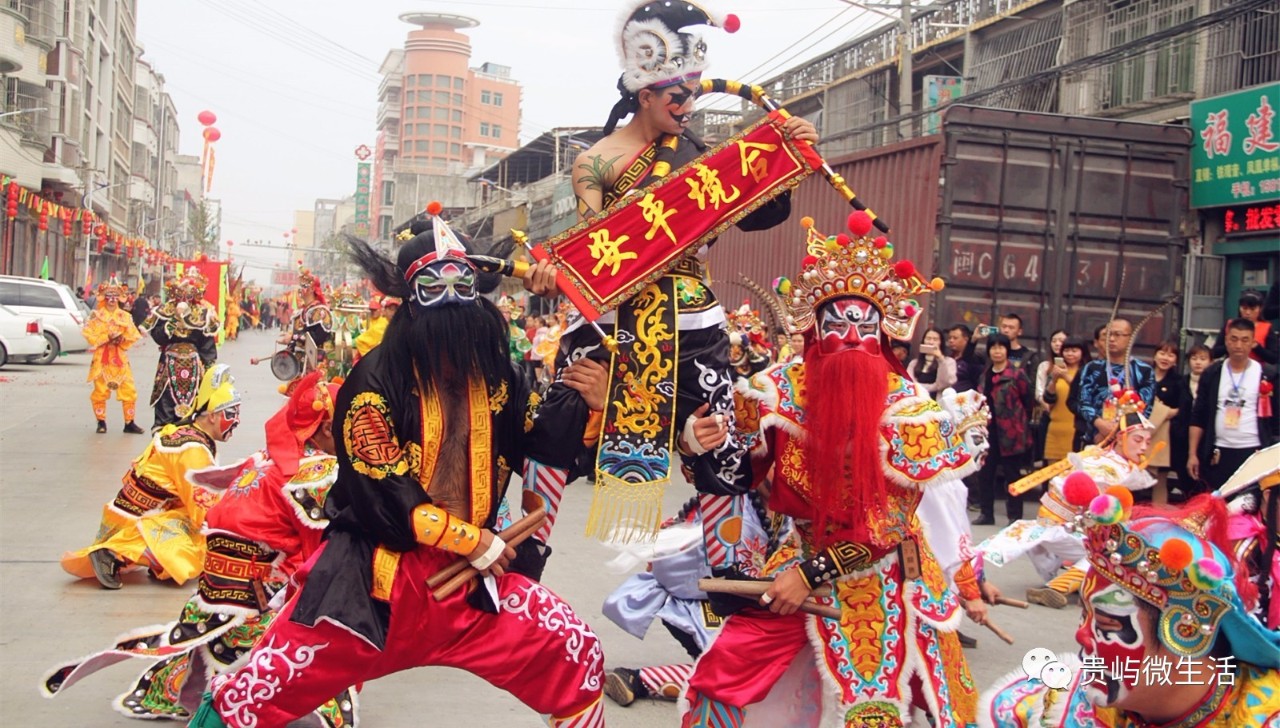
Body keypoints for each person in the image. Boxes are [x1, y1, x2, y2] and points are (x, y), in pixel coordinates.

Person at [189, 220, 611, 728]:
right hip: (375, 587)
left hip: (470, 590)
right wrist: (472, 540)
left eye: (463, 284)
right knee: (253, 692)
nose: (453, 300)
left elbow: (540, 443)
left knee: (574, 652)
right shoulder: (374, 381)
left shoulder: (500, 375)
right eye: (434, 287)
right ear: (410, 299)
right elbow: (386, 495)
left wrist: (590, 399)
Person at [521, 0, 818, 552]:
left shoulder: (698, 157)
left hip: (694, 318)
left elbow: (760, 212)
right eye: (678, 96)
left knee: (720, 443)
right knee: (555, 423)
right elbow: (592, 244)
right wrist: (549, 273)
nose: (688, 106)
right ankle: (521, 559)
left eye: (695, 93)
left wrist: (787, 154)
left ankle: (728, 578)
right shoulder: (597, 161)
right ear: (646, 94)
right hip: (613, 313)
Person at [679, 211, 985, 727]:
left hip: (887, 573)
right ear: (814, 331)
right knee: (725, 670)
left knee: (901, 702)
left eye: (863, 326)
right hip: (800, 552)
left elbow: (886, 525)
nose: (849, 337)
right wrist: (697, 444)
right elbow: (734, 476)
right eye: (836, 324)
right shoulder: (780, 390)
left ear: (884, 336)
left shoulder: (907, 408)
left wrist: (808, 575)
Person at [42, 373, 356, 726]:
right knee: (338, 627)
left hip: (215, 595)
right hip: (249, 592)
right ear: (327, 429)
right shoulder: (318, 472)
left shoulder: (266, 457)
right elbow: (319, 557)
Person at [981, 494, 1280, 726]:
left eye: (1108, 625)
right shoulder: (1048, 704)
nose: (1082, 636)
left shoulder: (1264, 714)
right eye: (1084, 615)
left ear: (1186, 632)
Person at [61, 365, 241, 589]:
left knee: (200, 527)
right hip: (136, 521)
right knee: (201, 542)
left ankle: (151, 559)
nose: (237, 421)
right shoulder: (192, 449)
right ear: (212, 415)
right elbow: (203, 509)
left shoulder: (189, 433)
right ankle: (113, 554)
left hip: (132, 514)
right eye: (232, 413)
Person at [978, 391, 1154, 609]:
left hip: (1060, 530)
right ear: (1120, 438)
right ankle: (1058, 588)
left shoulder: (1108, 460)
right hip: (1067, 529)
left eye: (1147, 441)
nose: (1144, 447)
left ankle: (1074, 580)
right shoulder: (1106, 466)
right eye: (1138, 439)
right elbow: (1099, 511)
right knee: (1112, 550)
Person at [1189, 318, 1280, 492]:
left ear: (1253, 342)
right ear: (1226, 340)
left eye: (1245, 340)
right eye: (1234, 339)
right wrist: (1192, 454)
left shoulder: (1266, 375)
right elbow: (1198, 415)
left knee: (1248, 507)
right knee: (1217, 504)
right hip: (1219, 451)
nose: (1238, 345)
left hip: (1253, 451)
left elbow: (1276, 419)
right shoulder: (1213, 373)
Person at [141, 271, 221, 428]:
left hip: (194, 366)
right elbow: (158, 336)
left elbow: (207, 345)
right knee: (165, 401)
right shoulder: (164, 310)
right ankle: (162, 438)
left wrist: (210, 370)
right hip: (169, 363)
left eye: (189, 294)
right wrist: (175, 318)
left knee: (195, 402)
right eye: (181, 294)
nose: (185, 298)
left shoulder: (203, 313)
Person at [974, 333, 1035, 525]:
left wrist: (1018, 422)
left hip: (1011, 433)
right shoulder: (985, 375)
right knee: (985, 474)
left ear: (1007, 350)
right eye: (993, 347)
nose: (997, 351)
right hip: (989, 431)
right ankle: (986, 513)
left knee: (1013, 476)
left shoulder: (1017, 374)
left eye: (1001, 347)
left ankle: (1015, 516)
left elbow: (1028, 401)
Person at [1072, 318, 1156, 445]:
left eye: (1117, 335)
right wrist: (1100, 425)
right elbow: (1082, 401)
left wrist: (1114, 431)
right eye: (1108, 334)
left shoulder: (1144, 371)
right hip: (1094, 438)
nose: (1111, 339)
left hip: (1127, 442)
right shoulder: (1092, 368)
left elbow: (1145, 408)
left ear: (1131, 338)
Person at [82, 276, 145, 434]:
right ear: (103, 297)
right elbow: (89, 335)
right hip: (102, 358)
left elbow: (133, 335)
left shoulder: (125, 316)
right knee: (100, 391)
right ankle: (101, 422)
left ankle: (129, 422)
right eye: (109, 296)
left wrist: (122, 339)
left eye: (115, 297)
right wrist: (106, 338)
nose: (111, 300)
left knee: (129, 389)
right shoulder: (97, 316)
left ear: (119, 298)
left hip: (119, 358)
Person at [1170, 344, 1213, 500]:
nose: (1198, 362)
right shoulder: (1180, 382)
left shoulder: (1213, 383)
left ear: (1211, 361)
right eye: (1194, 358)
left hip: (1205, 437)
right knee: (1184, 475)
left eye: (1203, 359)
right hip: (1182, 437)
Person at [279, 268, 333, 381]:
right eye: (300, 286)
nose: (300, 290)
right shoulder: (301, 312)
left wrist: (293, 337)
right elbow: (299, 335)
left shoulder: (320, 311)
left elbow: (317, 337)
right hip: (299, 364)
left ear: (312, 289)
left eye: (303, 286)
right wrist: (288, 349)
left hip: (315, 363)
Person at [1147, 339, 1183, 502]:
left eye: (1171, 355)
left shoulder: (1179, 382)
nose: (1165, 358)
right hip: (1139, 432)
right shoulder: (1143, 376)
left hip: (1164, 436)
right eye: (1162, 353)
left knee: (1160, 479)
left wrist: (1162, 411)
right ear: (1154, 355)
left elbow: (1180, 409)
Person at [1042, 337, 1088, 463]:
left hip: (1075, 429)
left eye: (1074, 350)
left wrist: (1066, 376)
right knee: (1053, 474)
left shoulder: (1086, 371)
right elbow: (1048, 398)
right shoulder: (1056, 370)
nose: (1070, 354)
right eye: (1066, 350)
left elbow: (1083, 394)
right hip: (1055, 429)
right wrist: (1054, 380)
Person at [1210, 290, 1279, 364]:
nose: (1248, 313)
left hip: (1256, 369)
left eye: (1252, 309)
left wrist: (1257, 347)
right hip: (1231, 367)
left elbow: (1274, 358)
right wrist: (1229, 345)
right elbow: (1214, 353)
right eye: (1244, 308)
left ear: (1260, 309)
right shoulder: (1230, 325)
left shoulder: (1266, 328)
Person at [907, 326, 958, 399]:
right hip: (917, 399)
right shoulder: (914, 363)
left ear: (941, 342)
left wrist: (940, 359)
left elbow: (945, 383)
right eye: (928, 339)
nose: (931, 342)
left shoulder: (949, 362)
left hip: (937, 401)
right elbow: (909, 383)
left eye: (935, 339)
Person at [947, 323, 985, 393]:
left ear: (966, 339)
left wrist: (973, 340)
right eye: (949, 338)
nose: (951, 340)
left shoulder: (974, 359)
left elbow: (968, 358)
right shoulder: (947, 359)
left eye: (955, 338)